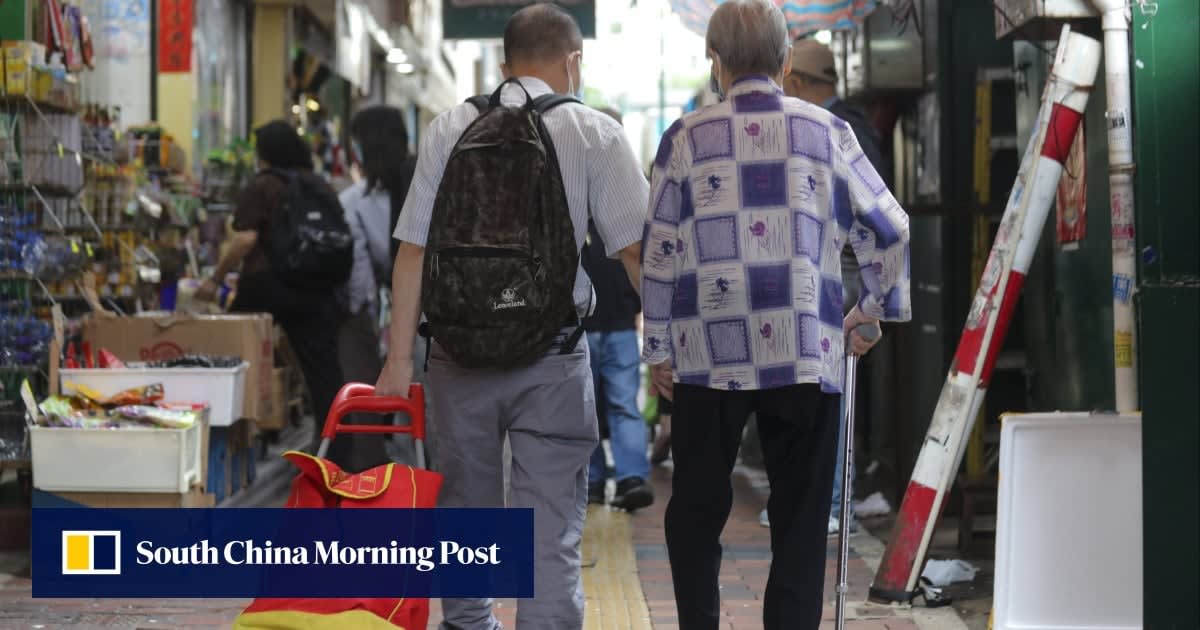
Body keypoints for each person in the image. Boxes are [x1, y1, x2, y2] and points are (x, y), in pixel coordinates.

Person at [374, 5, 648, 629]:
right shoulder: (594, 132)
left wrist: (398, 363)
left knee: (465, 515)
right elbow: (637, 254)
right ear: (573, 60)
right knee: (548, 527)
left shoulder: (450, 126)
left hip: (457, 356)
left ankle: (468, 623)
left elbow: (413, 251)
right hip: (553, 358)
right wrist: (664, 348)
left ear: (503, 66)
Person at [640, 2, 911, 628]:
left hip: (708, 357)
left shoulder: (684, 138)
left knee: (695, 513)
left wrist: (658, 350)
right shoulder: (828, 132)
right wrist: (871, 311)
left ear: (714, 62)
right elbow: (890, 228)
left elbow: (659, 251)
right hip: (805, 351)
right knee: (801, 518)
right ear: (787, 61)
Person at [758, 37, 896, 535]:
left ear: (796, 80)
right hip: (845, 276)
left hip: (840, 276)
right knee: (825, 389)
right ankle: (827, 501)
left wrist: (873, 307)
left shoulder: (832, 129)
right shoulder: (852, 125)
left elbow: (881, 222)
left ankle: (833, 503)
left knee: (828, 392)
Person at [196, 121, 346, 463]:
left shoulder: (262, 185)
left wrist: (216, 278)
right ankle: (336, 454)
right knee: (323, 374)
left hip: (266, 284)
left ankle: (228, 446)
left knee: (230, 355)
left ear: (265, 153)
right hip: (315, 286)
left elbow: (246, 239)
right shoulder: (318, 183)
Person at [335, 105, 414, 471]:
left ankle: (383, 478)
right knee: (428, 409)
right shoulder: (430, 186)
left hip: (394, 311)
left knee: (378, 393)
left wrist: (365, 323)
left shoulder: (355, 202)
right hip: (441, 316)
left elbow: (360, 280)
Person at [582, 216, 654, 510]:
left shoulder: (572, 208)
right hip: (607, 324)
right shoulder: (619, 213)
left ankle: (602, 480)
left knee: (586, 407)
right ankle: (627, 478)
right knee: (619, 405)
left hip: (597, 325)